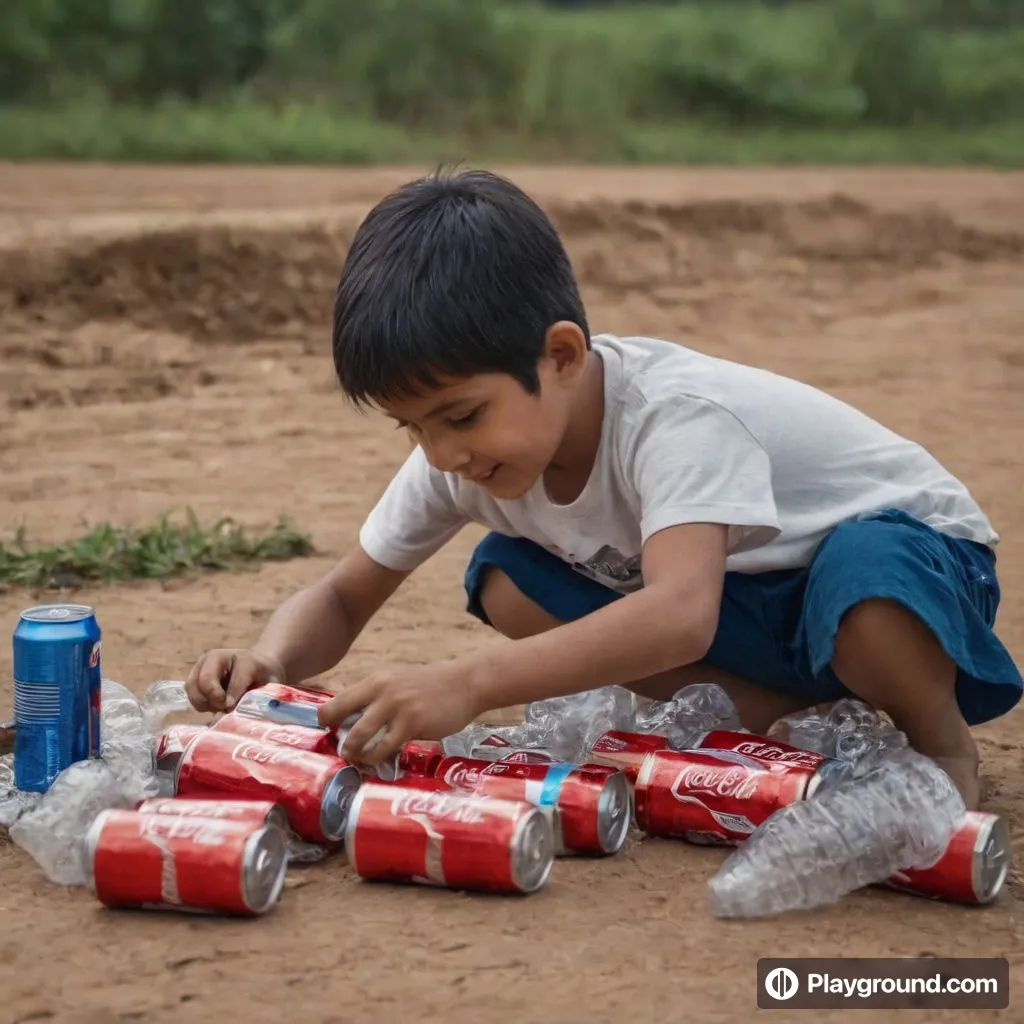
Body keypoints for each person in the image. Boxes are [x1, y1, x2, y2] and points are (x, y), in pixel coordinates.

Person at [185, 167, 1021, 810]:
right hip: (759, 595)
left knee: (866, 593)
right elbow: (341, 595)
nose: (442, 455)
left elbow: (680, 614)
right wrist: (273, 658)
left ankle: (937, 746)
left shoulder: (673, 417)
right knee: (508, 577)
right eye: (413, 428)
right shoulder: (468, 454)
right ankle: (799, 726)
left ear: (561, 355)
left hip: (910, 567)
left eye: (462, 416)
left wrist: (467, 684)